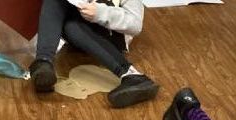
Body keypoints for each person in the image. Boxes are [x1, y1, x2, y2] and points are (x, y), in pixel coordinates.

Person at [29, 0, 158, 108]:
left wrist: (100, 13)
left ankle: (132, 75)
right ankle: (43, 62)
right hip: (80, 26)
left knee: (72, 27)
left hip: (111, 34)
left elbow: (135, 25)